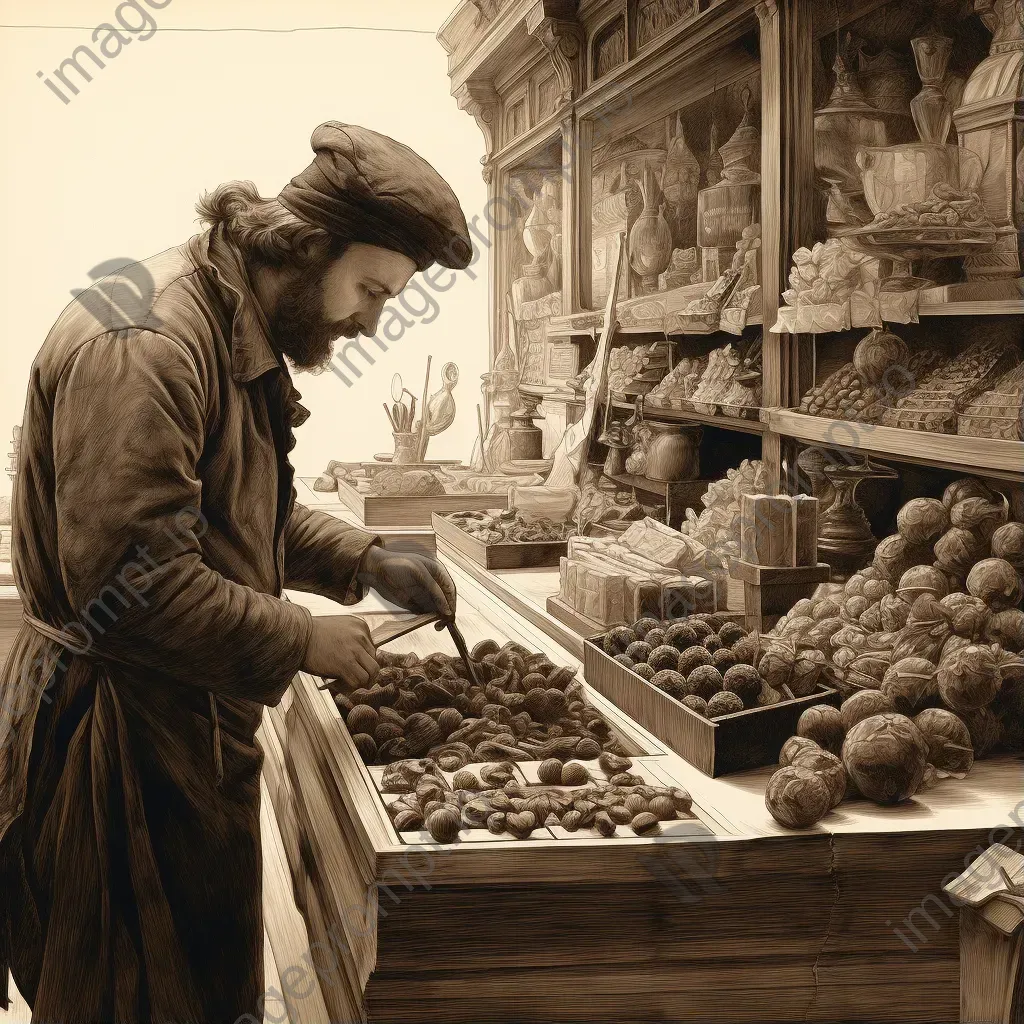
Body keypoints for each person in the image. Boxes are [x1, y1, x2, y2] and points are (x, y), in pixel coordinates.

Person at [0, 122, 473, 1023]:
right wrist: (304, 635)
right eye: (371, 289)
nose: (373, 319)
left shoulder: (227, 319)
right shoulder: (148, 341)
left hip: (179, 730)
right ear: (308, 247)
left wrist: (362, 556)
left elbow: (230, 511)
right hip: (114, 751)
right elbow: (130, 586)